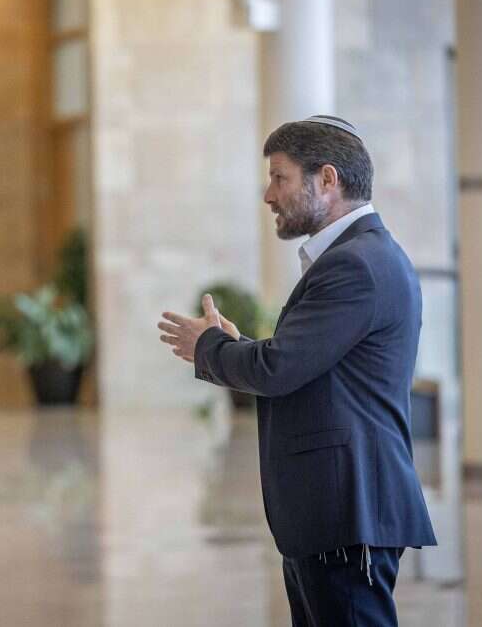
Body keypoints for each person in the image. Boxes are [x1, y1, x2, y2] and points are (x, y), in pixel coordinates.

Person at [158, 116, 436, 626]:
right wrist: (234, 346)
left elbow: (280, 368)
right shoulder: (359, 258)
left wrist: (211, 348)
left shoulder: (356, 264)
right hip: (334, 512)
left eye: (280, 177)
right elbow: (307, 365)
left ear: (327, 180)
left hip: (347, 510)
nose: (268, 194)